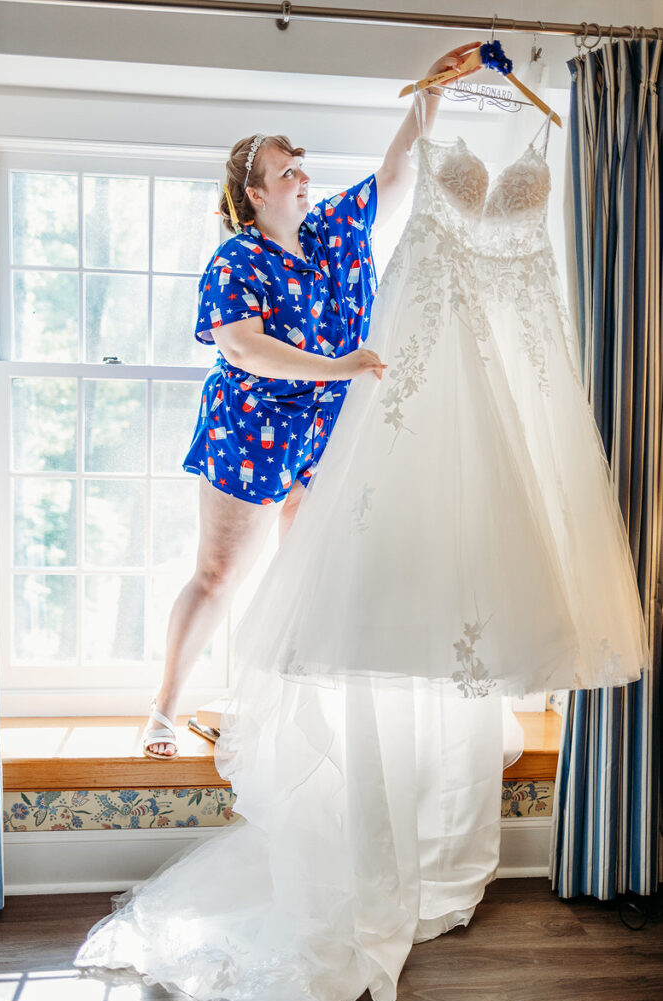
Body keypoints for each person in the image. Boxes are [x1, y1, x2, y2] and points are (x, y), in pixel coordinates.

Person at [142, 41, 480, 758]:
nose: (301, 173)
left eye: (300, 162)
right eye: (284, 169)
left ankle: (277, 715)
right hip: (250, 427)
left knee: (305, 578)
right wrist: (336, 366)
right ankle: (164, 709)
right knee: (219, 574)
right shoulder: (237, 258)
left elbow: (396, 170)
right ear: (255, 195)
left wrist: (433, 88)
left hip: (328, 432)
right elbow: (240, 345)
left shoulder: (333, 229)